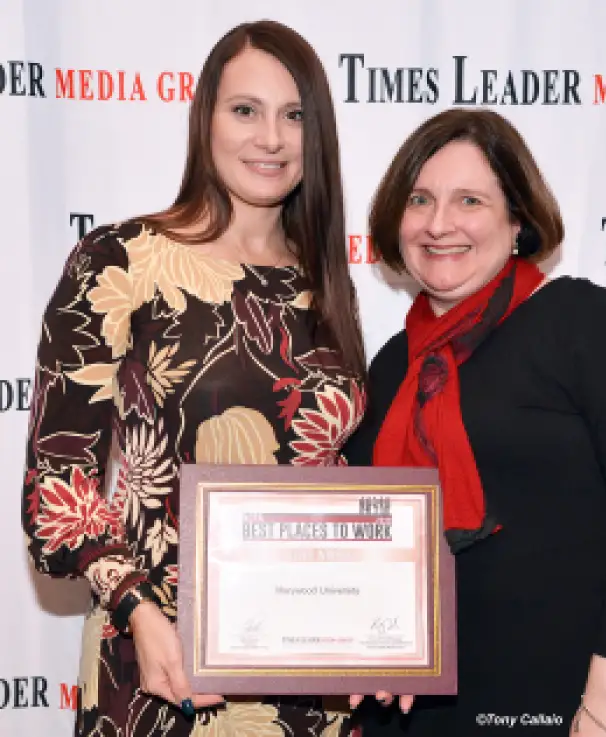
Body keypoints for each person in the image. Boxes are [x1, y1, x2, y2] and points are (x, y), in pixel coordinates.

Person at [21, 20, 366, 737]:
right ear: (204, 118)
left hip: (310, 675)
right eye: (245, 110)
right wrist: (139, 614)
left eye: (294, 114)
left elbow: (334, 481)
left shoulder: (323, 282)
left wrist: (372, 627)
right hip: (162, 664)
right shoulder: (122, 259)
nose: (270, 137)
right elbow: (59, 480)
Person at [342, 109, 606, 737]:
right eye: (420, 199)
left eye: (469, 199)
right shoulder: (393, 366)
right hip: (423, 710)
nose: (439, 223)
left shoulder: (581, 322)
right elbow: (374, 535)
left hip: (574, 701)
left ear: (517, 220)